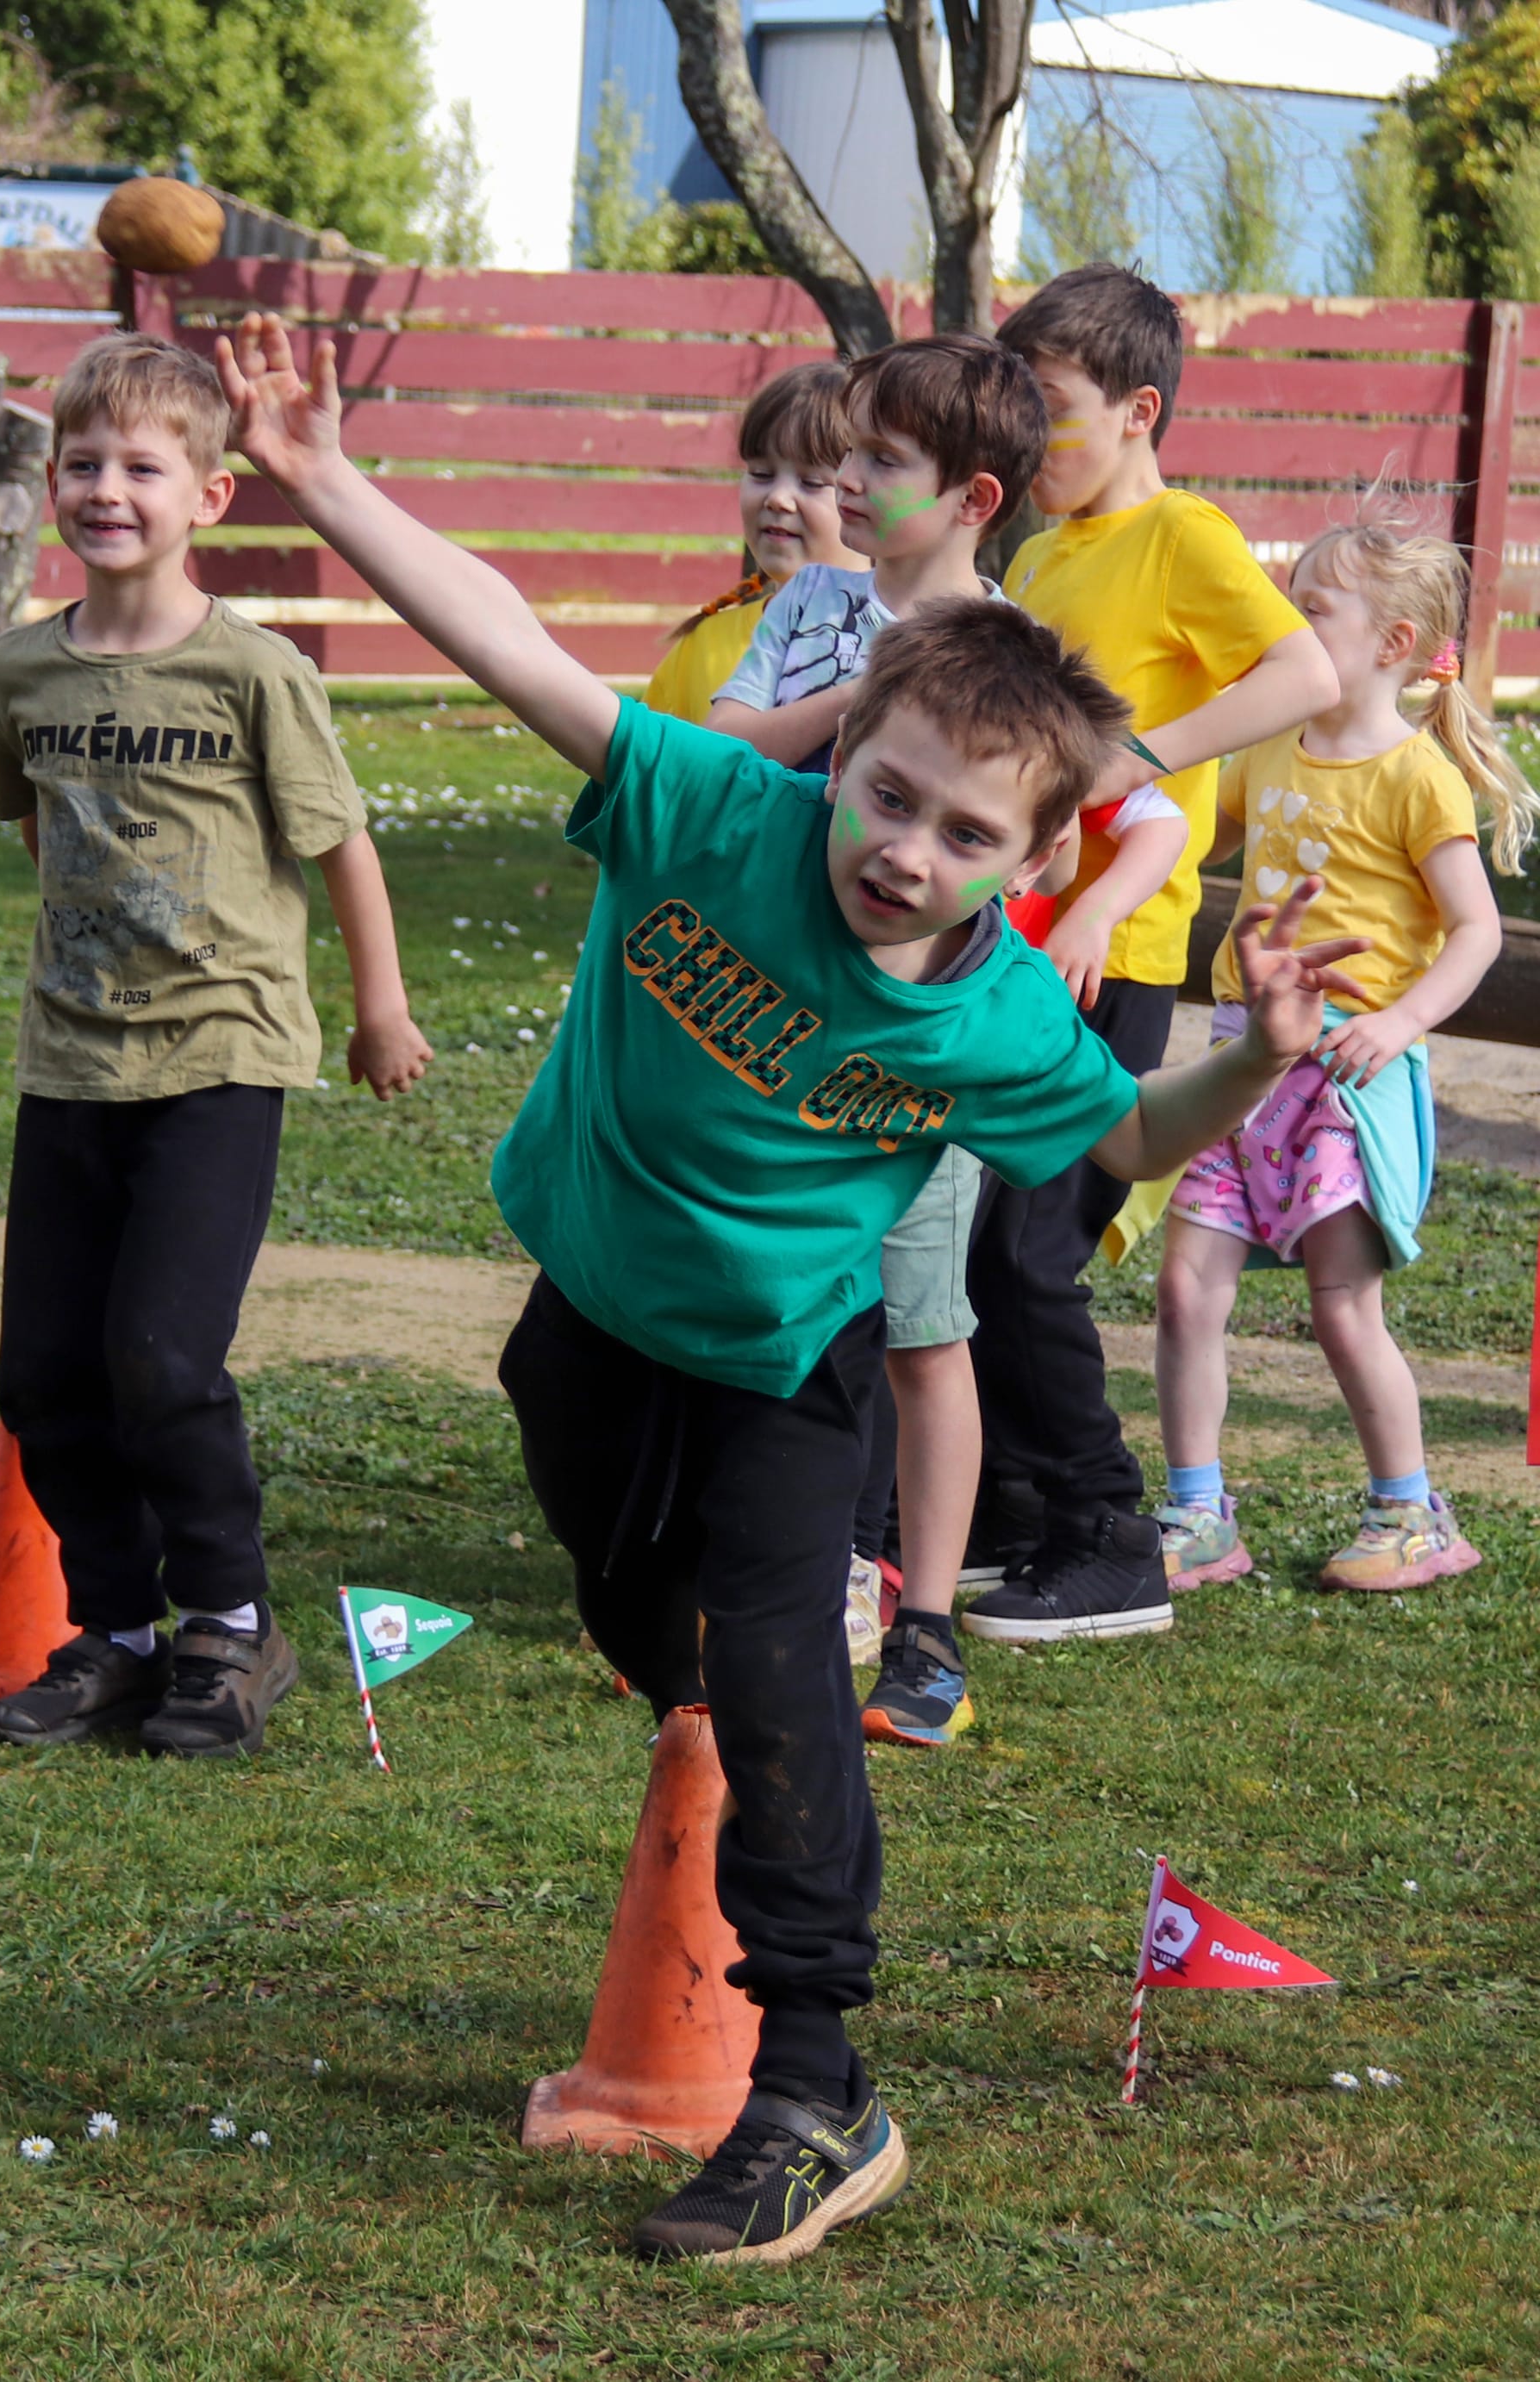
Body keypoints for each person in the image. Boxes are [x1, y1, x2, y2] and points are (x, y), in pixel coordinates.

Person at [216, 308, 1370, 2264]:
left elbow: (1114, 1138)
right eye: (890, 794)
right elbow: (508, 645)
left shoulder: (998, 1008)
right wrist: (323, 480)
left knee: (771, 1670)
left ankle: (815, 2083)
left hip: (778, 1366)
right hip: (583, 1311)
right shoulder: (710, 816)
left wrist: (1253, 1053)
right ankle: (712, 1691)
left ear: (1026, 855)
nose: (908, 850)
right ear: (844, 751)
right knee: (614, 1585)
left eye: (968, 834)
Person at [710, 334, 1181, 1743]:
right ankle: (802, 1572)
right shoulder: (809, 605)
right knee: (781, 1309)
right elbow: (728, 751)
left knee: (926, 1330)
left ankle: (922, 1631)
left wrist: (1093, 907)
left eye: (877, 461)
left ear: (974, 496)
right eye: (842, 454)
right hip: (773, 1034)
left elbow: (1138, 804)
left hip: (920, 1048)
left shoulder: (1013, 653)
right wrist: (857, 709)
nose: (842, 482)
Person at [0, 332, 431, 1759]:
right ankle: (115, 1634)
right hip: (71, 1065)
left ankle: (229, 1625)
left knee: (163, 1356)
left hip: (221, 1058)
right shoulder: (22, 672)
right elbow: (46, 825)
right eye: (86, 464)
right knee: (46, 1372)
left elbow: (339, 840)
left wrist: (382, 1004)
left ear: (210, 497)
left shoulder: (252, 672)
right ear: (53, 483)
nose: (110, 488)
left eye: (144, 466)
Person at [959, 263, 1339, 1648]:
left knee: (1029, 1253)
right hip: (1016, 947)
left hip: (1115, 952)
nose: (1027, 438)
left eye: (1047, 410)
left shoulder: (1180, 534)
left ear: (1138, 409)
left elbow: (1300, 672)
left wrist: (1143, 752)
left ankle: (1113, 1545)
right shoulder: (1044, 550)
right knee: (982, 1249)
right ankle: (1015, 1521)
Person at [1157, 502, 1536, 1594]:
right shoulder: (1267, 745)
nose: (1279, 625)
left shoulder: (1420, 779)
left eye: (1306, 610)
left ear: (1392, 646)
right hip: (1236, 1064)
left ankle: (1410, 1515)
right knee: (1185, 1291)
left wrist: (1401, 1021)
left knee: (1339, 1307)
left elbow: (1472, 931)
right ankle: (1194, 1515)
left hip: (1342, 1078)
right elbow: (1190, 830)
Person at [643, 359, 865, 727]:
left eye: (811, 482)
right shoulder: (702, 649)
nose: (778, 498)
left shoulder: (905, 648)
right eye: (761, 474)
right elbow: (657, 778)